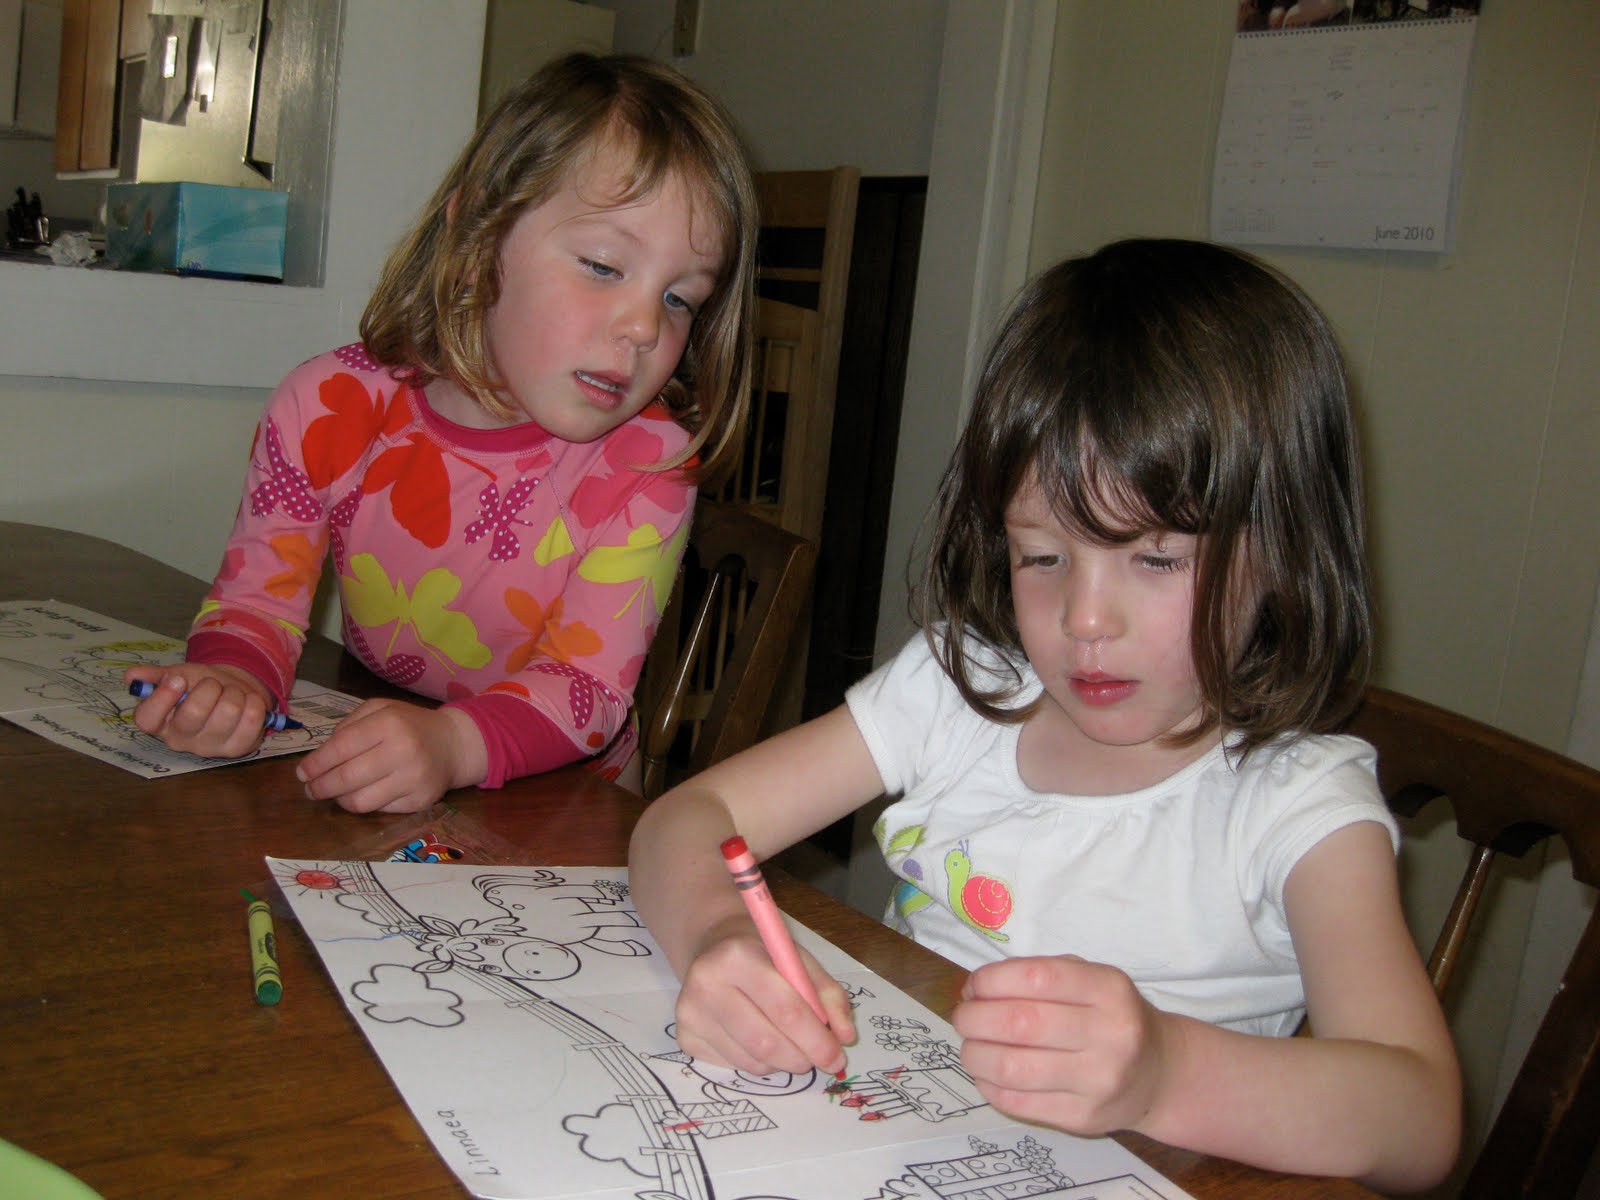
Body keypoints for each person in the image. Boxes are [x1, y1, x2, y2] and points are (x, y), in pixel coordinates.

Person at [629, 239, 1461, 1191]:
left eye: (1157, 558)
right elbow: (685, 820)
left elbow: (1422, 1120)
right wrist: (716, 934)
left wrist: (1165, 1074)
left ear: (1284, 549)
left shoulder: (1298, 808)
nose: (1084, 619)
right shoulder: (960, 690)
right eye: (1042, 556)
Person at [124, 53, 758, 814]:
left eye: (681, 299)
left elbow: (586, 687)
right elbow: (258, 602)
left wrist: (453, 743)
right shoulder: (327, 407)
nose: (645, 326)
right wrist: (232, 678)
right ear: (477, 241)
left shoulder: (650, 467)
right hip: (389, 746)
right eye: (601, 265)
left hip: (565, 802)